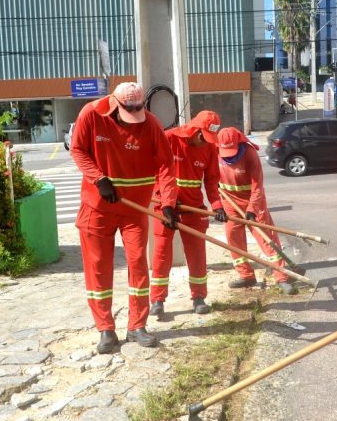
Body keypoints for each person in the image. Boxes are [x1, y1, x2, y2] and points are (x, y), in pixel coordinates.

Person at [70, 82, 179, 354]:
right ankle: (105, 329)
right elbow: (78, 149)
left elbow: (166, 164)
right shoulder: (91, 114)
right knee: (98, 267)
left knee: (138, 264)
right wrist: (99, 179)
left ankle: (137, 326)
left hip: (135, 210)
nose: (133, 118)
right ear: (115, 104)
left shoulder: (150, 124)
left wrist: (168, 204)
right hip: (98, 207)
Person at [149, 110, 227, 318]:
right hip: (164, 208)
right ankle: (157, 299)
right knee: (161, 253)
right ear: (195, 130)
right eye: (204, 137)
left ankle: (199, 297)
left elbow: (212, 180)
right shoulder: (169, 139)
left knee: (197, 254)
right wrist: (166, 202)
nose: (206, 142)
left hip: (194, 209)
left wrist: (217, 206)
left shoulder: (209, 148)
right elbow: (155, 172)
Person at [216, 127, 297, 295]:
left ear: (238, 144)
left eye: (231, 152)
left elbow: (257, 186)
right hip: (229, 200)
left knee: (267, 238)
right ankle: (246, 276)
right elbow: (210, 178)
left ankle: (281, 277)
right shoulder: (214, 150)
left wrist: (252, 208)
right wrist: (217, 205)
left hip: (252, 200)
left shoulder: (249, 153)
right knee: (233, 237)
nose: (228, 156)